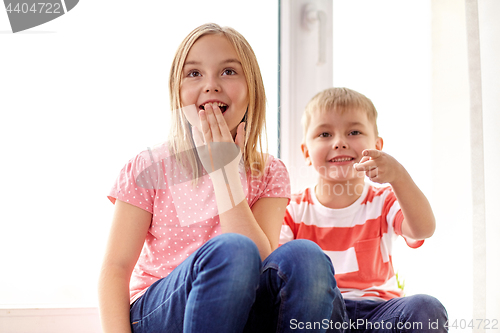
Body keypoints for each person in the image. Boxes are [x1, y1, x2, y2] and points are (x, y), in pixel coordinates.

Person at [98, 23, 345, 333]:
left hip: (243, 310)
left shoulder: (269, 172)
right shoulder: (149, 166)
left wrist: (224, 173)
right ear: (177, 92)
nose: (211, 85)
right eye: (194, 73)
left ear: (251, 90)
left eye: (228, 72)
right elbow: (115, 270)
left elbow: (264, 266)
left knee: (304, 256)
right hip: (160, 312)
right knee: (231, 250)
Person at [280, 87, 448, 332]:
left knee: (426, 308)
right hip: (323, 315)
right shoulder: (292, 209)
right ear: (306, 151)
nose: (339, 143)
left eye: (354, 132)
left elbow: (423, 229)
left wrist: (399, 176)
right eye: (325, 133)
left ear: (377, 145)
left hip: (380, 313)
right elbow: (275, 272)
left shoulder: (384, 201)